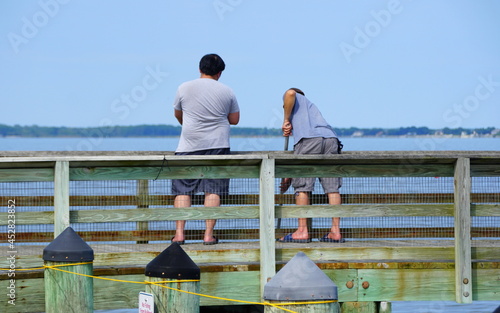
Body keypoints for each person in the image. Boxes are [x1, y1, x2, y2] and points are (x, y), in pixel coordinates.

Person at [171, 53, 240, 245]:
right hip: (217, 144)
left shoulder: (184, 87)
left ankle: (179, 235)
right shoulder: (227, 91)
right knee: (213, 189)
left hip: (188, 145)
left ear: (200, 69)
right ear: (219, 73)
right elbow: (234, 120)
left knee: (183, 190)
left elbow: (178, 114)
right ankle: (208, 235)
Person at [277, 88, 344, 243]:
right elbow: (299, 158)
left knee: (302, 187)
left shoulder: (295, 98)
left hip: (309, 139)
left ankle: (302, 231)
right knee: (332, 187)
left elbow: (290, 93)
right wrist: (289, 177)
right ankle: (335, 231)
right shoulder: (310, 108)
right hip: (331, 139)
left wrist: (285, 119)